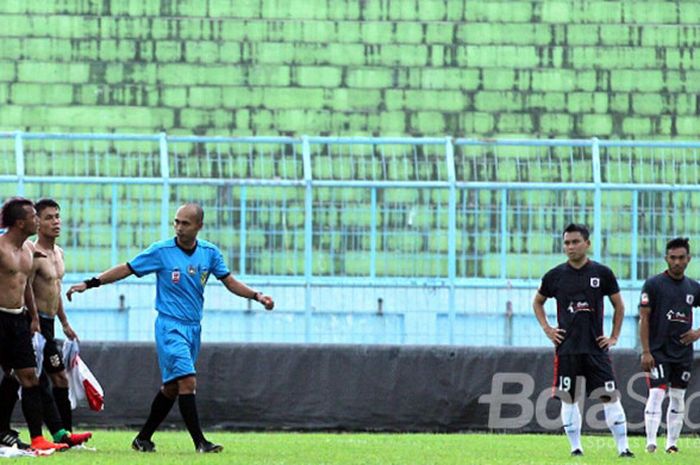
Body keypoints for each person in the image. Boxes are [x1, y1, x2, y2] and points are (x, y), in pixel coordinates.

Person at [67, 202, 275, 453]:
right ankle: (201, 442)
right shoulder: (161, 251)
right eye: (176, 222)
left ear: (199, 226)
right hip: (169, 326)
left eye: (185, 223)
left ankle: (143, 438)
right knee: (187, 381)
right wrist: (90, 283)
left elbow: (229, 281)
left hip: (193, 328)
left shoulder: (209, 253)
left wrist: (257, 296)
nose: (178, 227)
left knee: (172, 387)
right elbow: (127, 268)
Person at [533, 223, 633, 458]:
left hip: (596, 349)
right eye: (566, 242)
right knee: (569, 399)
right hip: (567, 349)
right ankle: (575, 448)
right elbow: (537, 302)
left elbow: (619, 305)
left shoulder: (602, 273)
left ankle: (623, 448)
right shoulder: (554, 276)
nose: (570, 247)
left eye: (575, 242)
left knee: (610, 396)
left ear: (587, 244)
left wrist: (614, 336)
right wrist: (548, 329)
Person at [0, 197, 67, 451]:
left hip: (19, 319)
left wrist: (34, 317)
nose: (37, 221)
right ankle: (3, 429)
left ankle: (37, 438)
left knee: (29, 377)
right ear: (20, 223)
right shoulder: (1, 247)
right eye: (33, 217)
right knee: (10, 377)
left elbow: (26, 285)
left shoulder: (28, 249)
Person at [639, 237, 700, 454]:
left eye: (681, 258)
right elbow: (644, 318)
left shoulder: (693, 287)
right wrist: (645, 351)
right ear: (666, 258)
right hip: (658, 351)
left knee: (677, 396)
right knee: (656, 393)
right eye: (672, 258)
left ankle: (672, 443)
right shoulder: (654, 285)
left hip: (683, 353)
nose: (676, 262)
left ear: (688, 259)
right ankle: (651, 442)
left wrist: (697, 333)